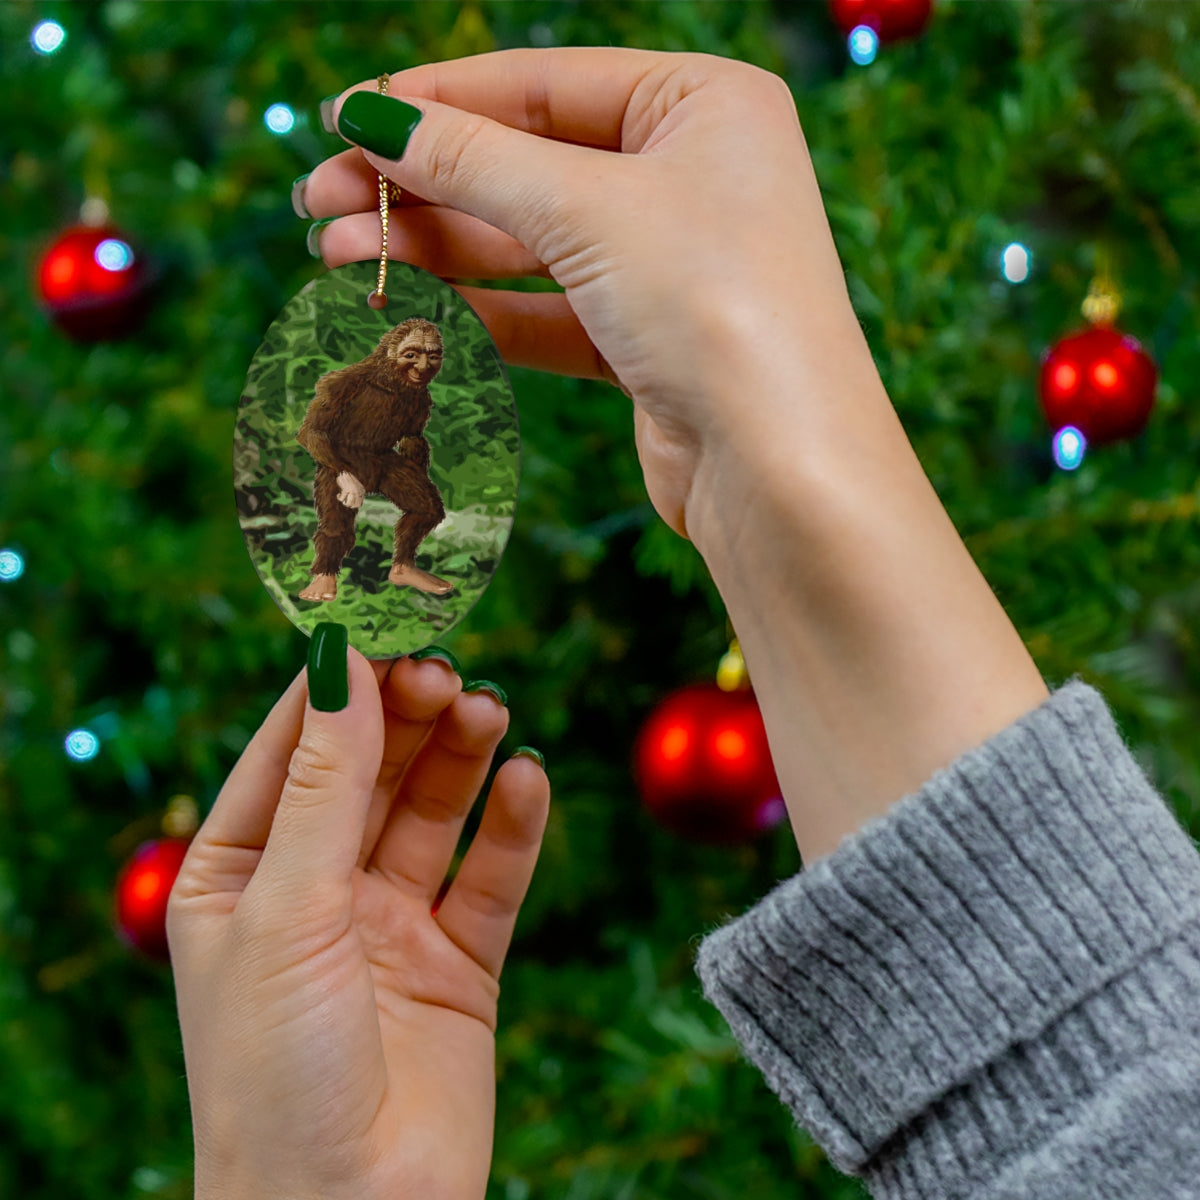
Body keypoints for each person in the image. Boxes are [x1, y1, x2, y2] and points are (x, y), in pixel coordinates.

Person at [166, 47, 1200, 1200]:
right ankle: (346, 556)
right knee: (343, 513)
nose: (411, 352)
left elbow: (1113, 1109)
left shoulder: (411, 390)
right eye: (406, 347)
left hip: (396, 480)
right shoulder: (352, 382)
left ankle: (400, 559)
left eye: (416, 348)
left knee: (417, 502)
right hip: (331, 477)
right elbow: (1116, 1106)